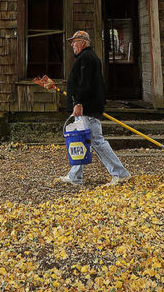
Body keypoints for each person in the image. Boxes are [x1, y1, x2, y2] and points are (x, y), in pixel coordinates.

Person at [55, 30, 131, 187]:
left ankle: (120, 173)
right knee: (80, 140)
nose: (72, 45)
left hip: (86, 109)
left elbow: (85, 84)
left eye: (74, 42)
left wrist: (79, 103)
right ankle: (75, 176)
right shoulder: (86, 58)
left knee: (96, 141)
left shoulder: (87, 58)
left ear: (83, 42)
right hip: (87, 108)